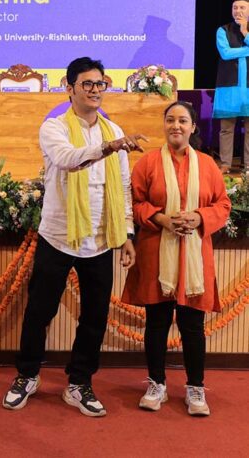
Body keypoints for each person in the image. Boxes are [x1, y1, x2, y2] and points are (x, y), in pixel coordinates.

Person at [2, 56, 146, 417]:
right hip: (58, 236)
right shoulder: (54, 128)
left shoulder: (113, 131)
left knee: (95, 317)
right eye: (87, 84)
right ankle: (27, 375)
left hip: (100, 239)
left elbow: (123, 186)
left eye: (100, 84)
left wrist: (127, 234)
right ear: (70, 89)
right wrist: (109, 147)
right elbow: (69, 159)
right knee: (39, 311)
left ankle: (79, 383)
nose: (95, 90)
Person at [122, 101, 231, 416]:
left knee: (192, 325)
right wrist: (162, 219)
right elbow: (135, 202)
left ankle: (195, 388)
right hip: (156, 251)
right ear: (164, 124)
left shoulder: (208, 165)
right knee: (156, 323)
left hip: (195, 255)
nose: (176, 126)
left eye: (183, 120)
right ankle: (156, 384)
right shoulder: (148, 163)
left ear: (193, 127)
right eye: (170, 120)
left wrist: (199, 217)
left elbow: (222, 204)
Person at [213, 0, 249, 173]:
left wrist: (245, 33)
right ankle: (226, 163)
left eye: (242, 7)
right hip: (229, 87)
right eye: (235, 7)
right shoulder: (223, 30)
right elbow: (225, 53)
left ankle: (248, 165)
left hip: (247, 88)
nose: (238, 11)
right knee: (227, 128)